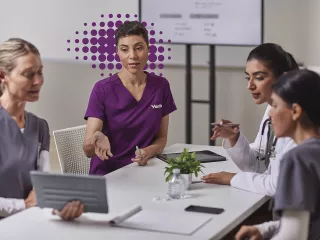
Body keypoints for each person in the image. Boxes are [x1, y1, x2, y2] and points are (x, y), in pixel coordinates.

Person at [0, 38, 83, 221]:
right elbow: (31, 202)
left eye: (40, 72)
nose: (38, 81)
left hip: (29, 222)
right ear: (2, 76)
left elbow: (42, 184)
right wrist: (25, 205)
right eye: (29, 74)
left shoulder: (39, 126)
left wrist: (57, 207)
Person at [201, 43, 299, 196]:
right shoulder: (271, 109)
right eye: (248, 77)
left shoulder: (298, 121)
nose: (250, 85)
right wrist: (234, 139)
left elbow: (279, 185)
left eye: (259, 77)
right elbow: (258, 164)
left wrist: (233, 179)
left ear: (283, 78)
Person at [235, 69, 320, 240]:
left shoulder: (298, 158)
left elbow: (294, 235)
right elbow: (308, 221)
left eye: (274, 105)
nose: (270, 114)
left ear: (295, 111)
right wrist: (266, 229)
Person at [83, 21, 177, 175]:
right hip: (108, 176)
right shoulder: (102, 89)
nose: (132, 56)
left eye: (139, 48)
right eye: (124, 49)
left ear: (148, 49)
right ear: (117, 53)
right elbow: (87, 150)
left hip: (143, 172)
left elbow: (161, 139)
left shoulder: (161, 86)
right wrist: (96, 138)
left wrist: (146, 152)